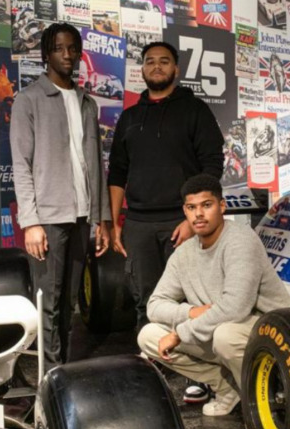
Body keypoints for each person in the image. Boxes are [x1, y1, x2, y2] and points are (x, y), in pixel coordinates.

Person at [138, 174, 290, 419]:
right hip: (216, 327)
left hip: (271, 328)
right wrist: (190, 313)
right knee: (149, 336)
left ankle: (265, 410)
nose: (199, 214)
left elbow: (235, 307)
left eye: (206, 205)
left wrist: (180, 333)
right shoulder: (184, 254)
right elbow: (155, 306)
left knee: (225, 336)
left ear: (222, 206)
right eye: (192, 208)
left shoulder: (240, 240)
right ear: (185, 211)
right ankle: (228, 388)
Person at [10, 23, 111, 370]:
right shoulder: (29, 100)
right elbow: (21, 164)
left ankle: (64, 369)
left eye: (72, 49)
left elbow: (96, 165)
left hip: (83, 217)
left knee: (70, 301)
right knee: (49, 302)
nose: (67, 55)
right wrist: (31, 222)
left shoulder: (87, 103)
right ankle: (51, 373)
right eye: (59, 49)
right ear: (46, 54)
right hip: (49, 220)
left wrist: (99, 219)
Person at [108, 41, 224, 332]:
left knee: (188, 297)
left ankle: (189, 367)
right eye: (149, 61)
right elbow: (118, 173)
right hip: (138, 224)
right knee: (145, 300)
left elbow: (212, 167)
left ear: (176, 69)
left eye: (163, 61)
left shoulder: (195, 111)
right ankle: (151, 364)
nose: (156, 66)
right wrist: (115, 223)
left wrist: (191, 219)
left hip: (180, 222)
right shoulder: (130, 118)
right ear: (142, 69)